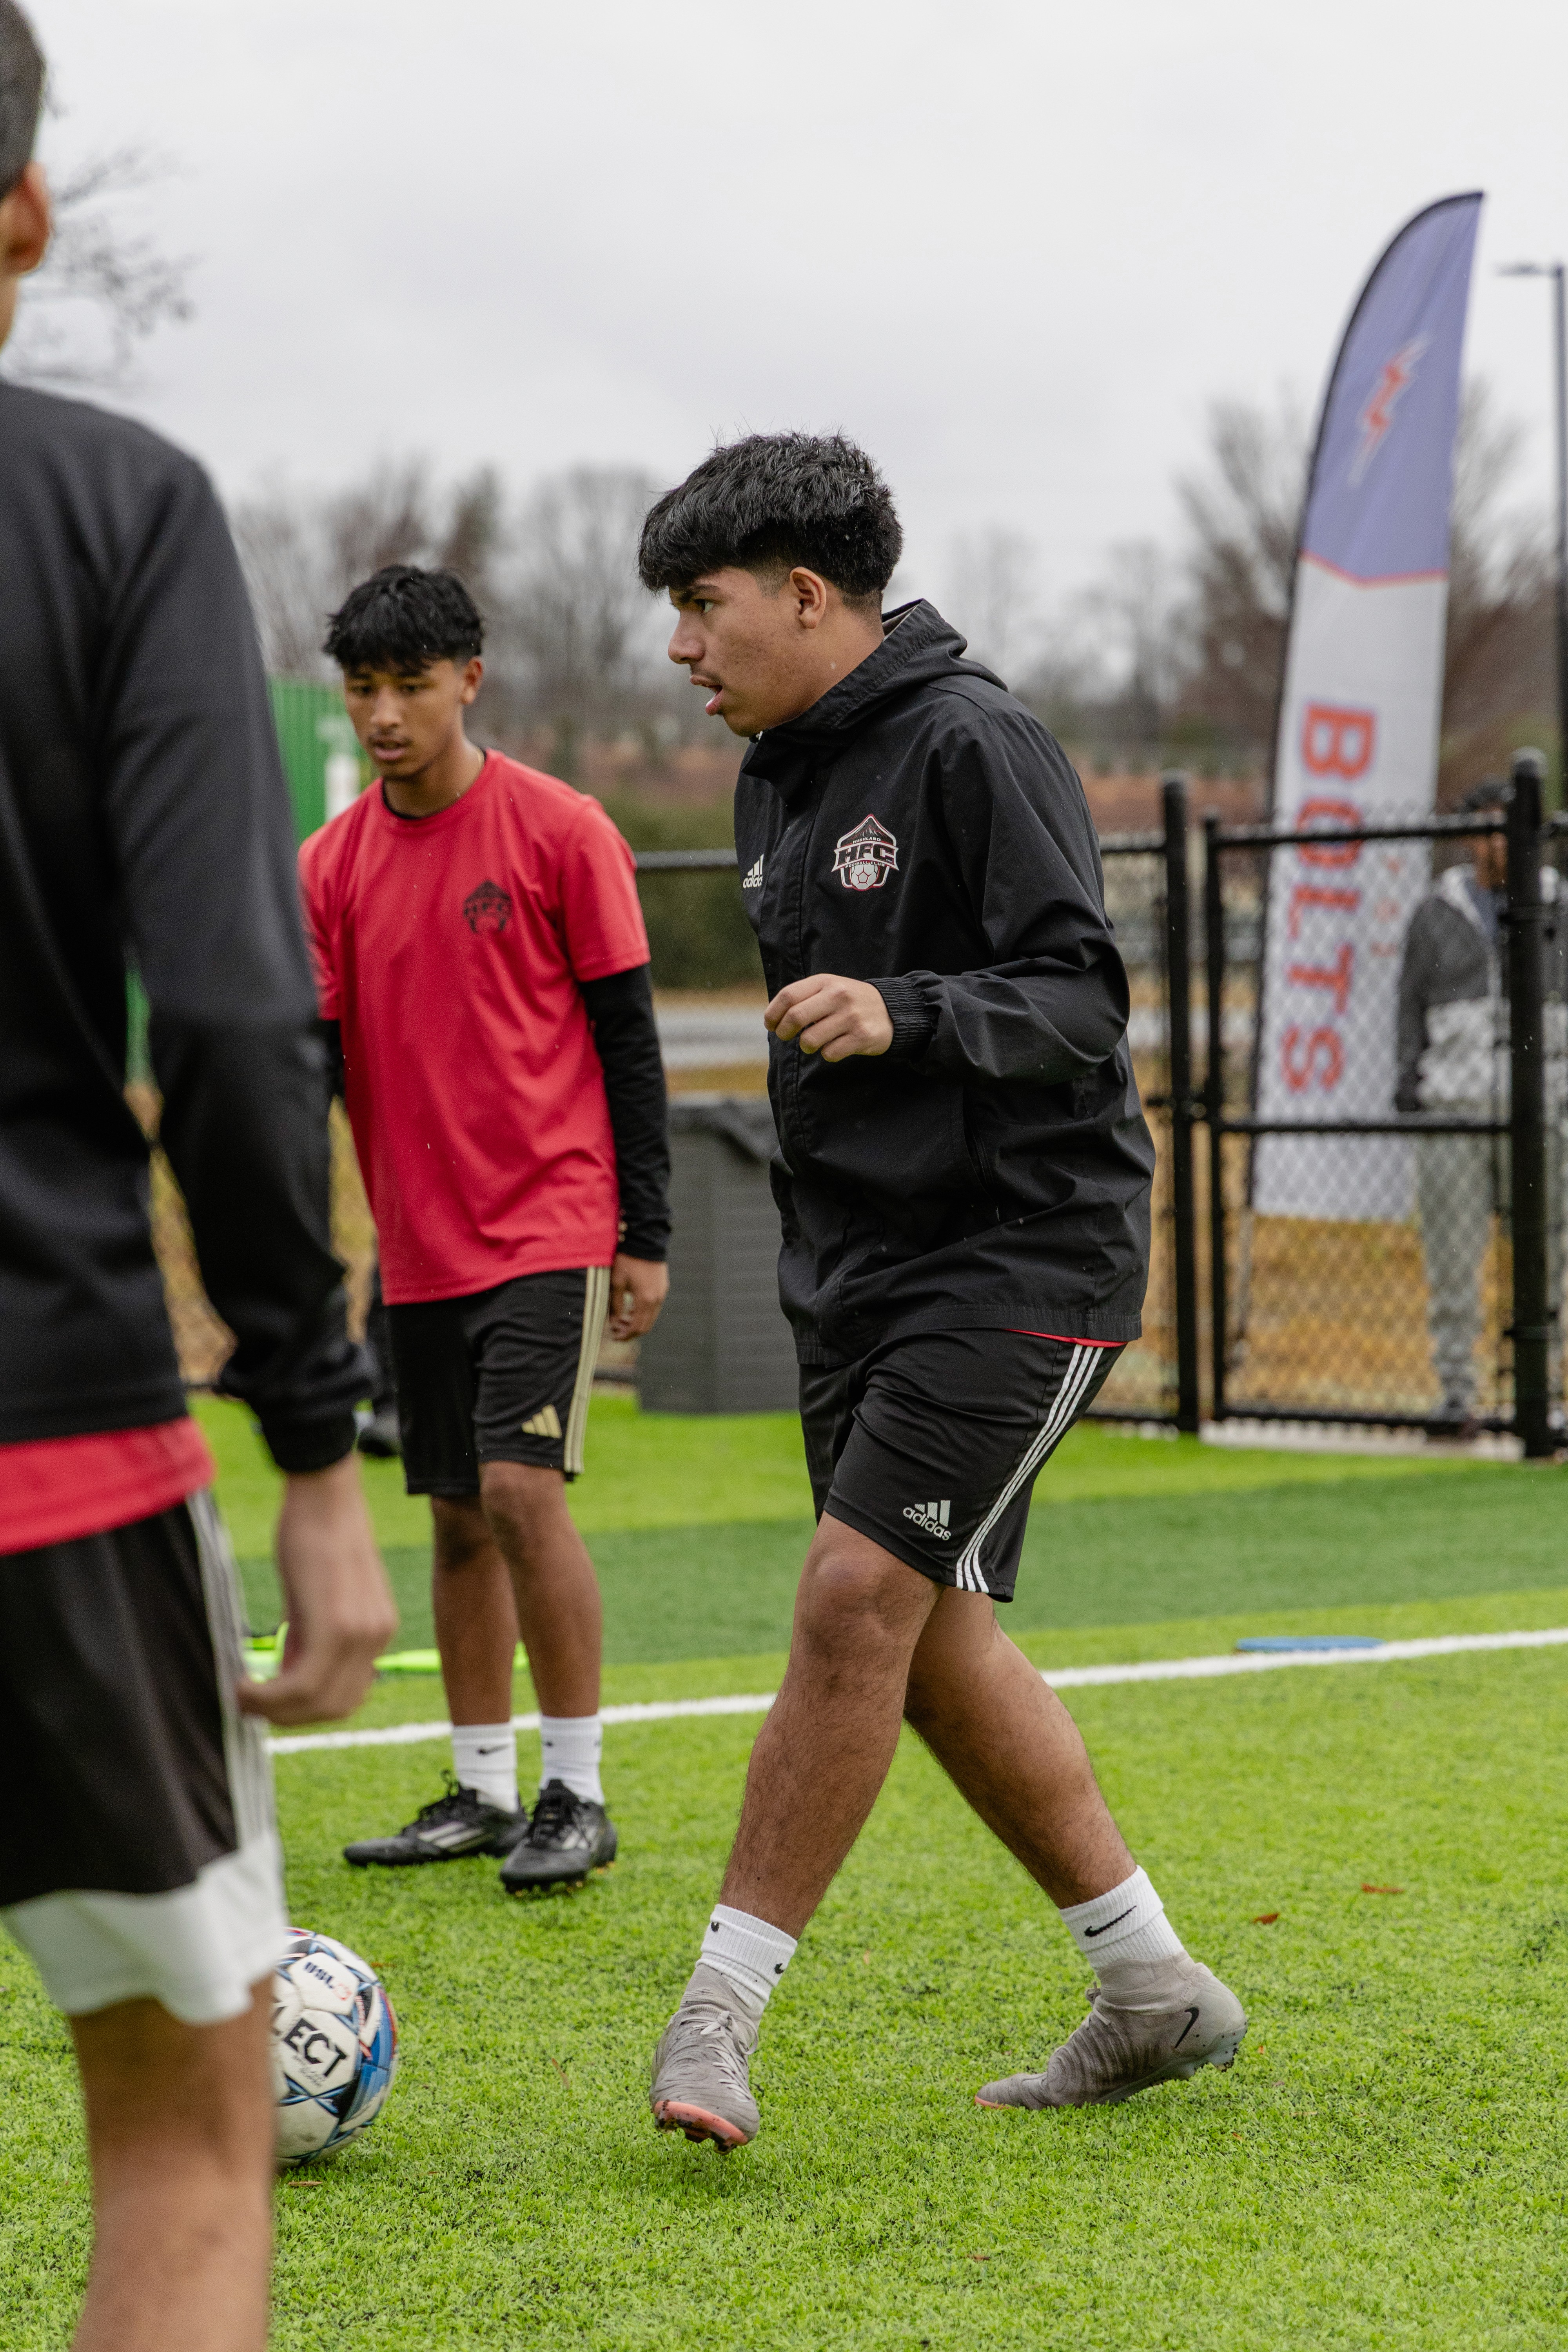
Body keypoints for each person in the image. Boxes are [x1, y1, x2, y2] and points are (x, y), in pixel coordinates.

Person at [635, 432, 1247, 2147]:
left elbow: (1081, 1002)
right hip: (863, 1272)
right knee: (930, 1636)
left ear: (809, 595)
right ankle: (1153, 1988)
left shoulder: (975, 741)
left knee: (852, 1600)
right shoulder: (772, 774)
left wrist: (910, 1012)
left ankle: (717, 2013)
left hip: (1027, 1252)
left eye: (703, 605)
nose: (683, 647)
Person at [0, 13, 398, 2348]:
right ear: (28, 216)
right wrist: (318, 1440)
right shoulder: (123, 507)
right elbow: (242, 1027)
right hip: (51, 1442)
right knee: (177, 2135)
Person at [301, 566, 671, 1891]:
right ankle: (480, 1791)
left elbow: (630, 1043)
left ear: (471, 677)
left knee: (522, 1491)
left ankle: (577, 1791)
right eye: (364, 690)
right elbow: (318, 1060)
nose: (387, 714)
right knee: (456, 1519)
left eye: (411, 685)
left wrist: (647, 1229)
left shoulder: (563, 831)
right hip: (418, 1246)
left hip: (554, 1222)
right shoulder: (326, 869)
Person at [1396, 778, 1568, 1434]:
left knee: (1546, 1249)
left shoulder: (1558, 904)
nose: (1497, 843)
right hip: (1456, 1101)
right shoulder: (1436, 911)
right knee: (1452, 1253)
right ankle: (1458, 1394)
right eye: (1486, 829)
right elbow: (1409, 1005)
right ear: (1470, 837)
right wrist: (1409, 1083)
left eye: (1509, 827)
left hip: (1544, 1100)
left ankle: (1543, 1391)